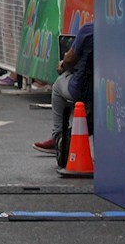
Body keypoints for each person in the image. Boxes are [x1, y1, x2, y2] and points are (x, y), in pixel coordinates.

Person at [33, 21, 95, 153]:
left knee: (58, 85)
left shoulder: (88, 30)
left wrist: (62, 65)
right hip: (106, 88)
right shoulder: (120, 30)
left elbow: (69, 60)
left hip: (82, 88)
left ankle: (57, 137)